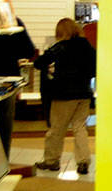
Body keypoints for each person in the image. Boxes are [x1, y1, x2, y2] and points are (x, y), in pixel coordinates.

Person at [34, 17, 97, 174]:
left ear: (60, 32)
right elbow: (94, 69)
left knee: (57, 129)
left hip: (63, 94)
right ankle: (83, 161)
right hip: (84, 93)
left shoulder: (60, 47)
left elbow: (39, 63)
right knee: (80, 128)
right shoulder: (87, 46)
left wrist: (53, 70)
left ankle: (52, 160)